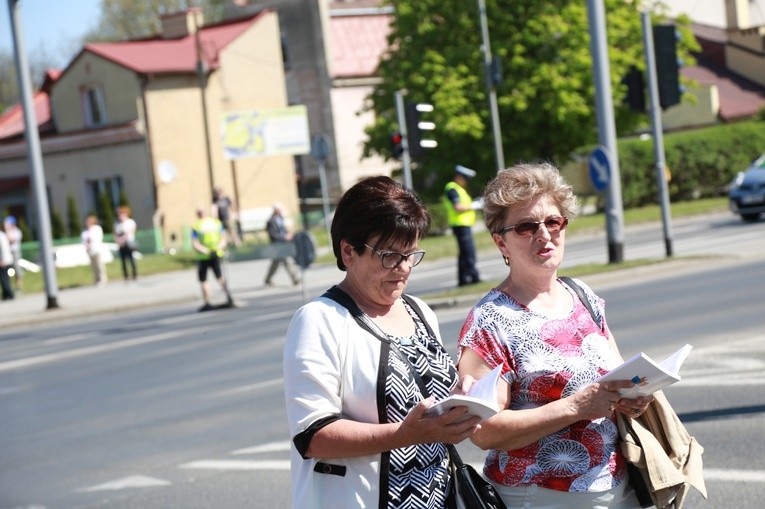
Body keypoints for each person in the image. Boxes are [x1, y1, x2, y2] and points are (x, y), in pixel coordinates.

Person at [456, 162, 653, 509]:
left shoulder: (582, 295)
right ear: (501, 242)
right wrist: (576, 407)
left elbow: (616, 374)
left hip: (618, 485)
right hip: (539, 495)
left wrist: (635, 397)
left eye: (553, 221)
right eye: (526, 227)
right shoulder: (490, 320)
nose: (544, 235)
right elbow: (484, 431)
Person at [283, 176, 481, 509]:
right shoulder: (319, 320)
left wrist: (464, 397)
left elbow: (428, 398)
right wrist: (404, 436)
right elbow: (312, 435)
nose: (403, 268)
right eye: (390, 255)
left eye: (411, 255)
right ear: (348, 251)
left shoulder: (419, 311)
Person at [443, 164, 481, 286]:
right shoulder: (452, 189)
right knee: (469, 252)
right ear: (459, 177)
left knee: (464, 253)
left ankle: (463, 279)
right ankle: (474, 277)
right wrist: (473, 206)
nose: (466, 182)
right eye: (465, 179)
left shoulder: (458, 189)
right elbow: (457, 207)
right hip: (461, 225)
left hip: (463, 225)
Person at [191, 207, 234, 312]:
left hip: (203, 256)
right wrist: (219, 248)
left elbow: (195, 243)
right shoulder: (216, 223)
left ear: (198, 214)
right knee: (220, 277)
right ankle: (229, 297)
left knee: (204, 280)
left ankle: (207, 302)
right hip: (216, 254)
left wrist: (205, 250)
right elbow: (224, 238)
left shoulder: (197, 226)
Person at [264, 202, 300, 286]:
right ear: (275, 210)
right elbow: (273, 234)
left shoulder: (280, 219)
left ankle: (268, 279)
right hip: (277, 245)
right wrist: (284, 237)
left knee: (275, 263)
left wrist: (289, 234)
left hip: (283, 244)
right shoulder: (271, 221)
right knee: (287, 260)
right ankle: (295, 279)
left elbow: (283, 231)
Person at [82, 214, 107, 287]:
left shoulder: (96, 228)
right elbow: (83, 240)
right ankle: (96, 279)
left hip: (96, 249)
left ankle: (102, 279)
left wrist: (91, 243)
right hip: (89, 250)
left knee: (99, 265)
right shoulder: (85, 231)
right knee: (93, 266)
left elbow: (98, 238)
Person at [113, 206, 138, 281]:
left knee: (131, 259)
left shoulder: (130, 222)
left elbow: (130, 232)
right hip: (121, 244)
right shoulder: (117, 223)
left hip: (129, 243)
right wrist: (118, 241)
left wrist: (122, 240)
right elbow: (115, 233)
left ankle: (134, 274)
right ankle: (126, 276)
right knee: (123, 261)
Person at [3, 215, 23, 294]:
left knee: (17, 271)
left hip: (15, 253)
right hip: (7, 253)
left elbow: (11, 240)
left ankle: (18, 288)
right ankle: (9, 289)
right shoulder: (6, 232)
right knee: (7, 272)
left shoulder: (17, 232)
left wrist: (8, 230)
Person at [0, 225, 13, 300]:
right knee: (4, 278)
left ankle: (9, 294)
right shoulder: (3, 235)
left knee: (4, 278)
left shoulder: (1, 236)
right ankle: (5, 294)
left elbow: (3, 249)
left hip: (4, 261)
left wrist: (2, 260)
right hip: (6, 260)